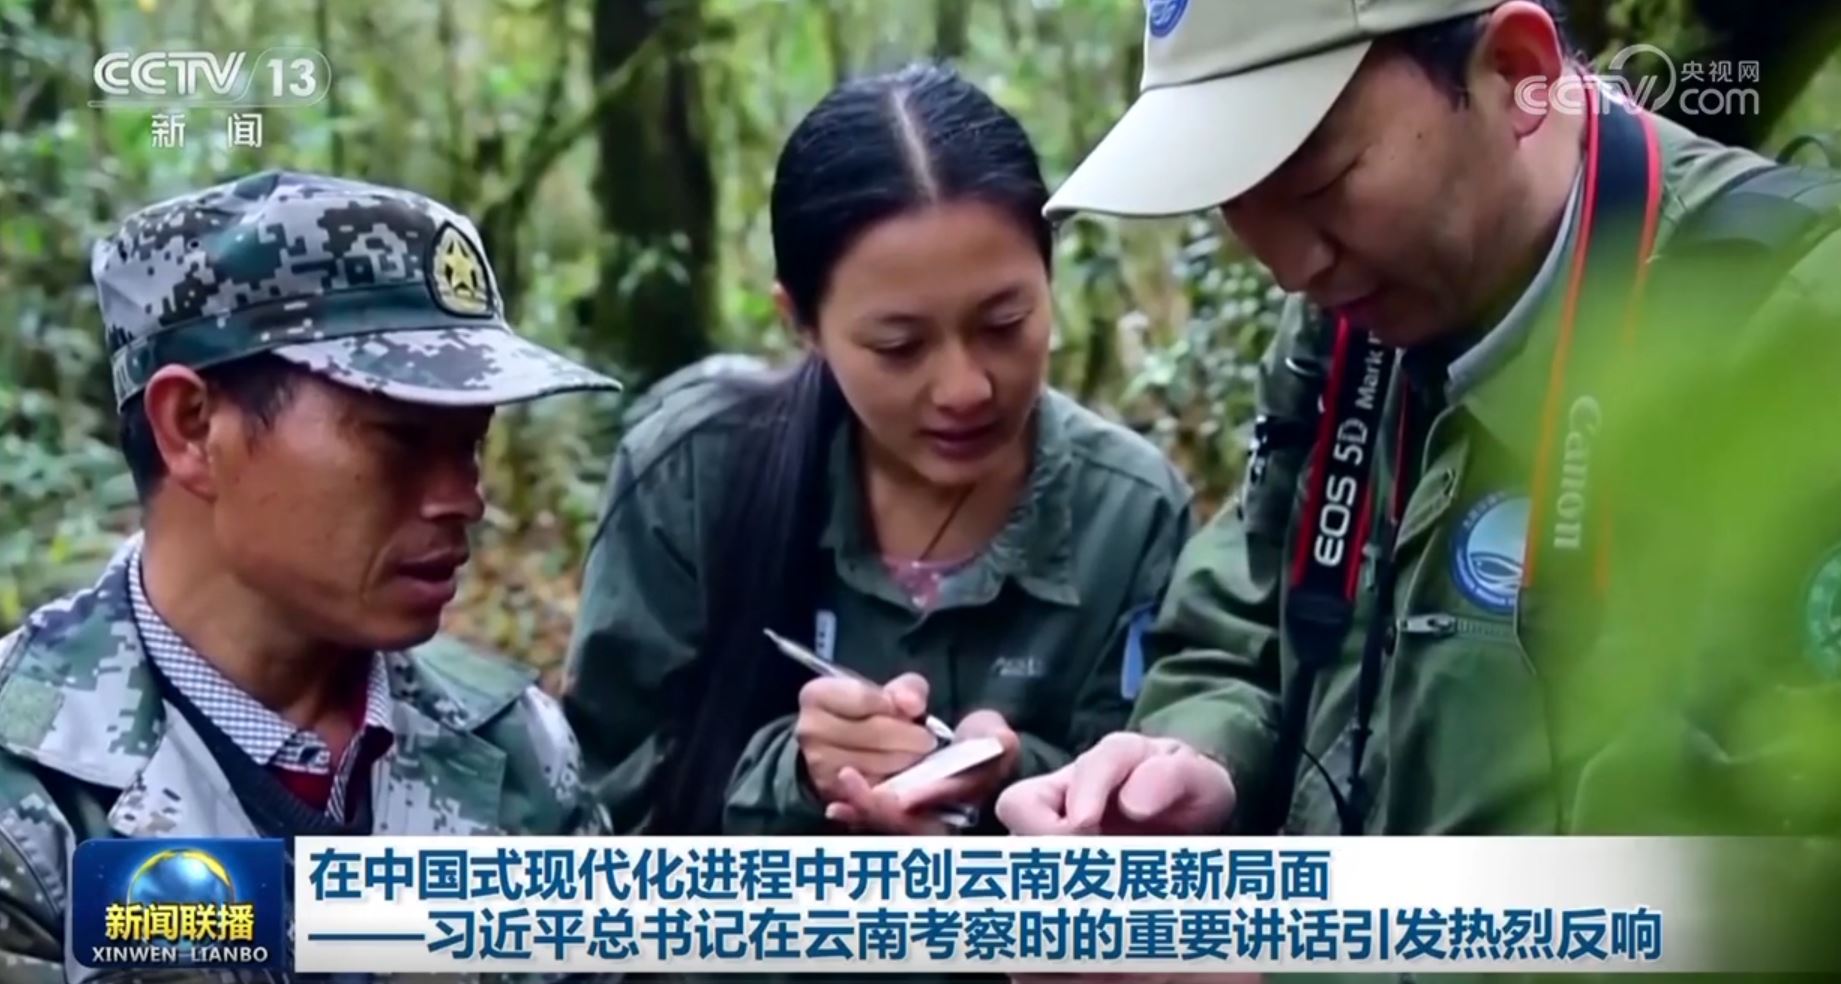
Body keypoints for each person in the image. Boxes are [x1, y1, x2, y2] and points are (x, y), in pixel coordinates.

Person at [998, 0, 1841, 841]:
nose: (1292, 267)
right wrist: (1195, 757)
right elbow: (1246, 609)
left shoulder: (1790, 332)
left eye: (1319, 182)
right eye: (1235, 198)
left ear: (1515, 72)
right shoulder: (1352, 318)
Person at [0, 171, 619, 979]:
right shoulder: (30, 785)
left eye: (470, 443)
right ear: (192, 428)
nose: (464, 499)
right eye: (401, 439)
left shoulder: (511, 745)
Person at [562, 63, 1195, 841]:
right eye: (898, 346)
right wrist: (796, 780)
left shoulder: (1129, 513)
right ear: (802, 322)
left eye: (1003, 324)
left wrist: (1011, 782)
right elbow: (600, 807)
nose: (964, 388)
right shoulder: (690, 476)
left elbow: (1154, 830)